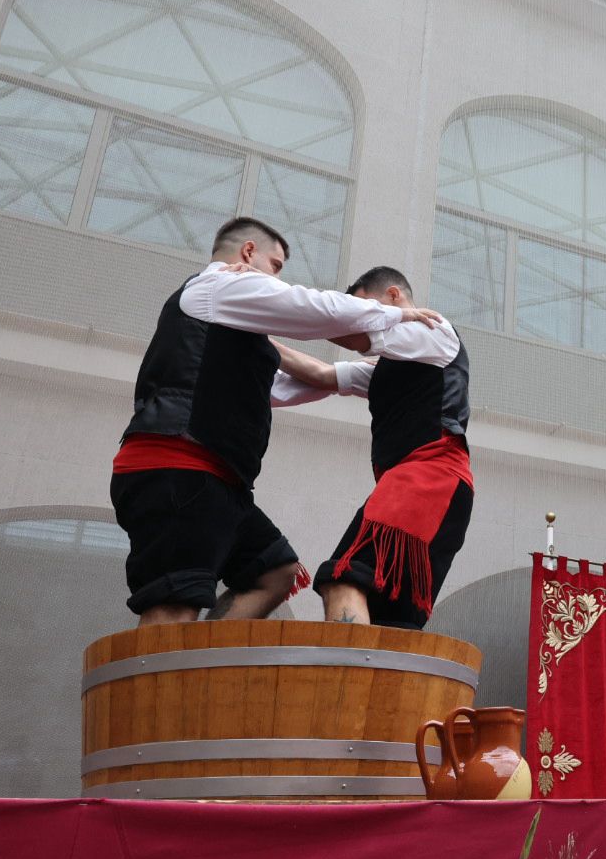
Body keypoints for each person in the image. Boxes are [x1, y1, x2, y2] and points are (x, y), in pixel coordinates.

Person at [110, 218, 440, 626]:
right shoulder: (222, 284)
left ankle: (198, 667)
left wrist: (339, 375)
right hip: (179, 466)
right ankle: (162, 683)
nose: (277, 278)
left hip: (216, 481)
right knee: (173, 602)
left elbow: (283, 387)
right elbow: (308, 307)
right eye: (276, 265)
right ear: (248, 253)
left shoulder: (232, 326)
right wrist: (395, 317)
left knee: (276, 572)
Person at [273, 266, 471, 629]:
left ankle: (343, 685)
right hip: (432, 488)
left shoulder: (432, 330)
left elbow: (353, 331)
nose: (358, 316)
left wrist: (259, 304)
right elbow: (320, 374)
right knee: (389, 619)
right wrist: (259, 338)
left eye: (364, 307)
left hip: (428, 477)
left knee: (342, 579)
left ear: (394, 297)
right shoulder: (395, 364)